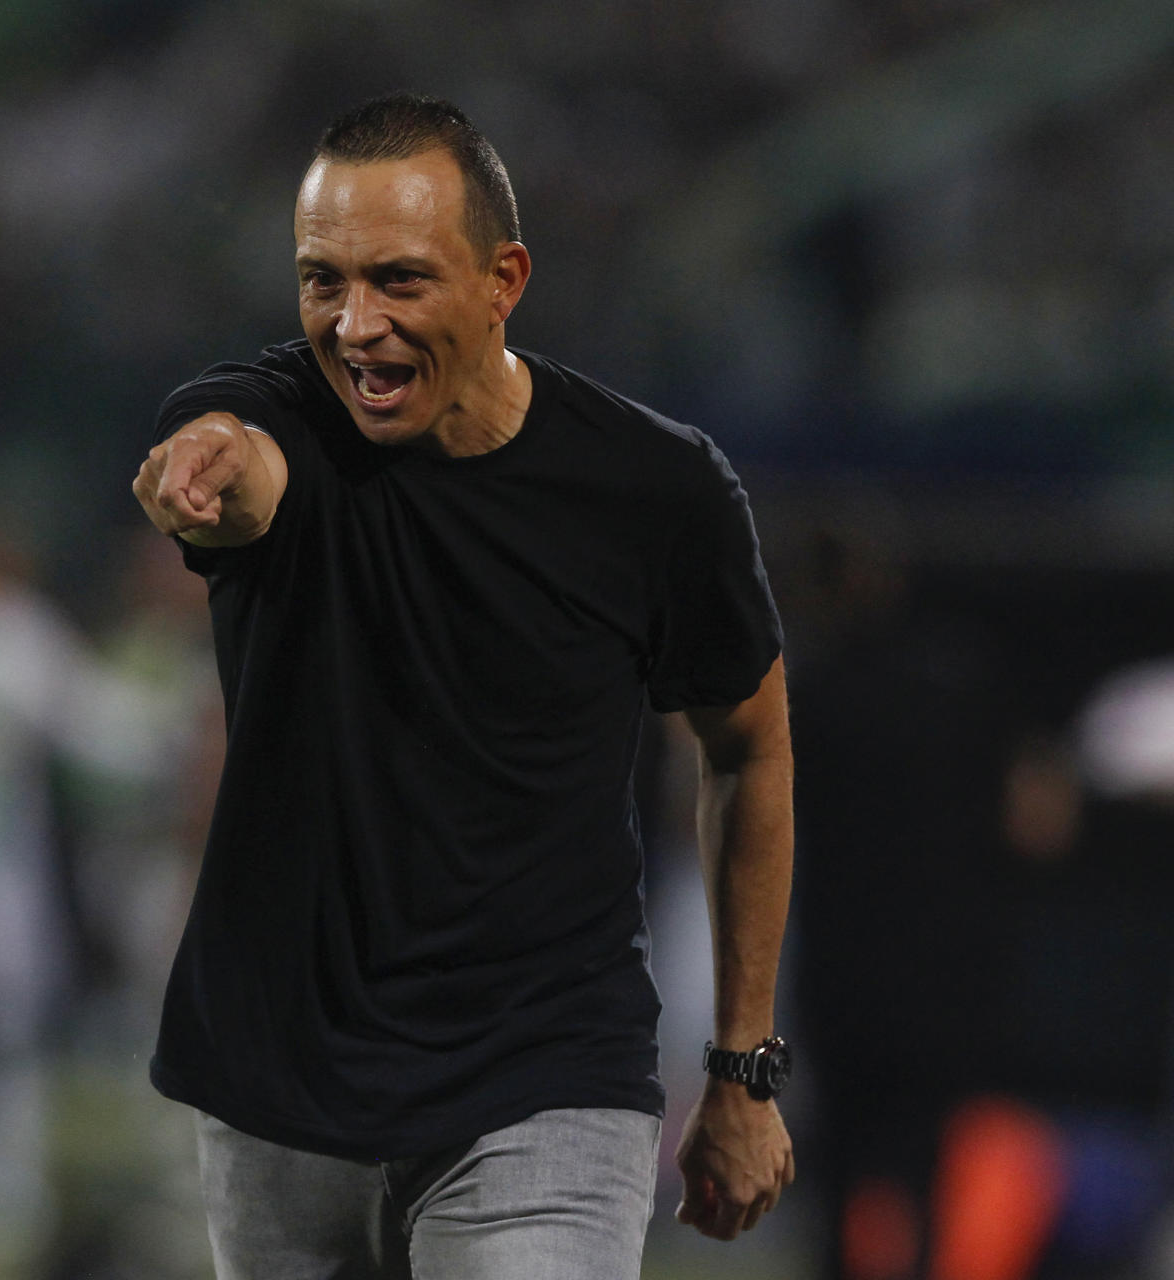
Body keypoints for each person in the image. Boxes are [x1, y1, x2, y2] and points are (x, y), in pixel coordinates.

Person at [133, 93, 795, 1278]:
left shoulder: (656, 492)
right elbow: (244, 472)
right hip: (281, 1094)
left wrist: (743, 1068)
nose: (354, 325)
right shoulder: (270, 415)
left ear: (505, 280)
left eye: (399, 281)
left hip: (543, 1081)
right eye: (321, 279)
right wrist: (208, 472)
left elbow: (748, 747)